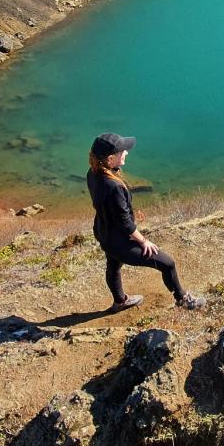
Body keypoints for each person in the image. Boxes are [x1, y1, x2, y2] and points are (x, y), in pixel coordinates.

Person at [85, 132, 205, 312]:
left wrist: (129, 213)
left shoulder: (93, 173)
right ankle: (183, 299)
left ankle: (120, 301)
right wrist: (143, 241)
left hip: (104, 232)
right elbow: (125, 224)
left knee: (113, 266)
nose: (126, 153)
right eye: (122, 151)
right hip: (120, 241)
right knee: (167, 264)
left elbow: (109, 207)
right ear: (110, 159)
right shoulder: (114, 185)